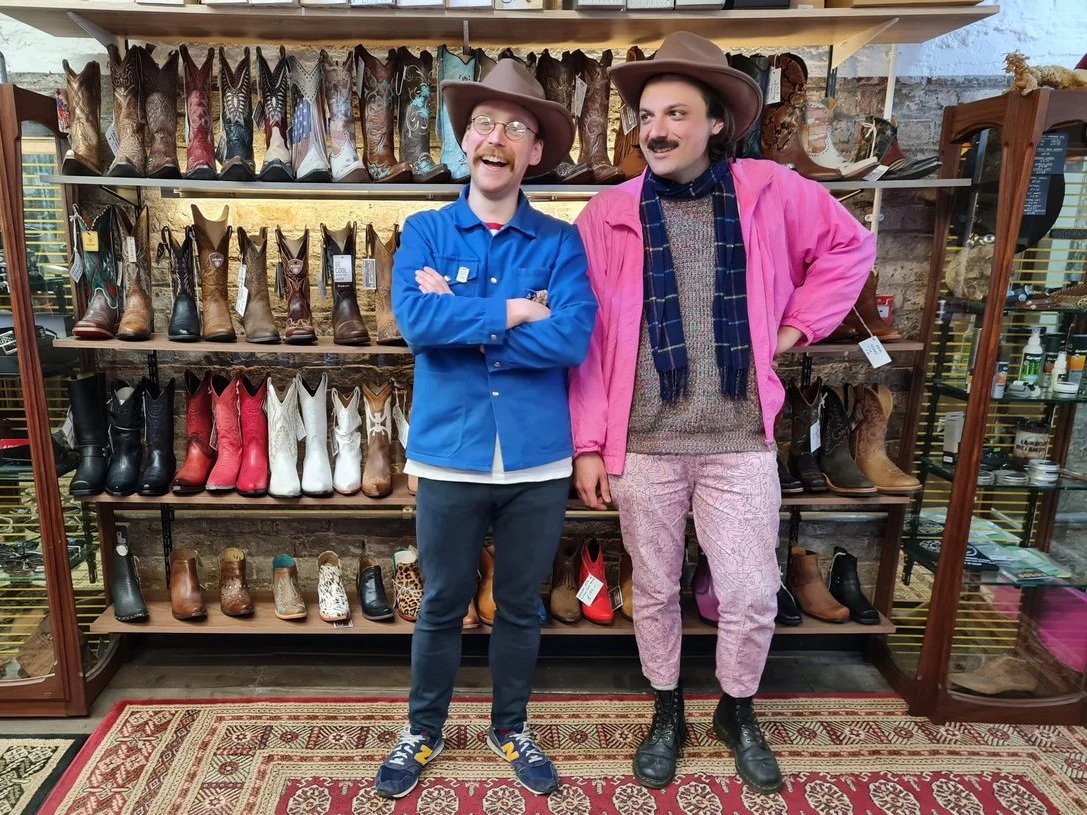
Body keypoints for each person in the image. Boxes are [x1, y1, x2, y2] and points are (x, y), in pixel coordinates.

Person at [568, 32, 876, 795]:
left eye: (675, 113)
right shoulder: (605, 214)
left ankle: (736, 709)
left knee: (748, 590)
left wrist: (793, 328)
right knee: (654, 588)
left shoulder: (769, 190)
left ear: (715, 123)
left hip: (737, 439)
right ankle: (666, 708)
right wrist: (587, 444)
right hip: (643, 441)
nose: (656, 129)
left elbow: (850, 247)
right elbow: (589, 341)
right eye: (646, 115)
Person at [376, 59, 597, 800]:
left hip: (538, 458)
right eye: (482, 124)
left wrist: (465, 322)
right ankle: (423, 730)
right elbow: (417, 323)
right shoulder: (425, 231)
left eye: (514, 128)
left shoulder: (560, 242)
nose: (495, 138)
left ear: (535, 150)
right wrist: (514, 312)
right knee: (442, 601)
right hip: (449, 452)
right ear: (464, 141)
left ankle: (512, 727)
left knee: (522, 605)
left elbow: (571, 338)